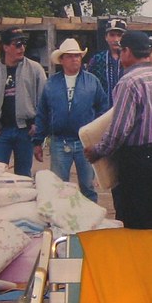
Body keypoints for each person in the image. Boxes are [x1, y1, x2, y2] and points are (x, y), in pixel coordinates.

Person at [85, 30, 152, 229]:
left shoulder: (128, 82)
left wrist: (98, 151)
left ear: (128, 52)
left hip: (136, 162)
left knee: (134, 222)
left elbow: (120, 129)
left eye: (121, 51)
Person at [33, 39, 109, 203]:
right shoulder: (51, 83)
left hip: (85, 142)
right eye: (70, 56)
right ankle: (61, 217)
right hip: (59, 141)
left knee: (88, 187)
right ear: (62, 60)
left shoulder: (92, 81)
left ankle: (90, 217)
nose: (74, 59)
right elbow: (42, 113)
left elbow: (103, 108)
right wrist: (38, 141)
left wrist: (97, 135)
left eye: (77, 56)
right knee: (58, 187)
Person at [0, 27, 46, 177]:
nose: (22, 48)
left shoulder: (36, 69)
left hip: (26, 131)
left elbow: (44, 102)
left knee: (24, 176)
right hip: (0, 132)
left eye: (23, 44)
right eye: (17, 44)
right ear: (6, 47)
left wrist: (38, 125)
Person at [87, 17, 127, 97]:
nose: (116, 39)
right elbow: (89, 84)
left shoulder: (131, 59)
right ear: (106, 37)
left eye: (119, 35)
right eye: (112, 35)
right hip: (104, 103)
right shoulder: (97, 59)